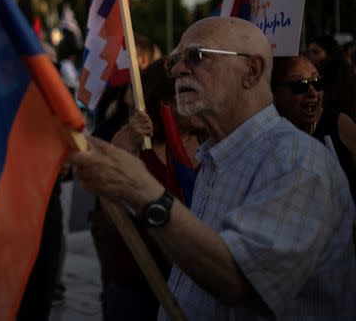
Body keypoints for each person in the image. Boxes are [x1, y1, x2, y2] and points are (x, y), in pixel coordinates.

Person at [73, 17, 356, 319]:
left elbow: (235, 279)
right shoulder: (216, 159)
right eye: (175, 61)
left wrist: (146, 191)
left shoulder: (298, 162)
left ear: (252, 71)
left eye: (196, 56)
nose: (179, 70)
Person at [91, 60, 206, 320]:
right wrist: (123, 150)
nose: (202, 101)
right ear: (164, 102)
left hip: (197, 283)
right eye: (190, 94)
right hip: (139, 282)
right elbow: (109, 210)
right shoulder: (132, 142)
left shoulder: (210, 142)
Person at [271, 54, 356, 202]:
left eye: (317, 82)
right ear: (274, 93)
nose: (312, 92)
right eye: (300, 85)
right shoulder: (266, 138)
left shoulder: (339, 124)